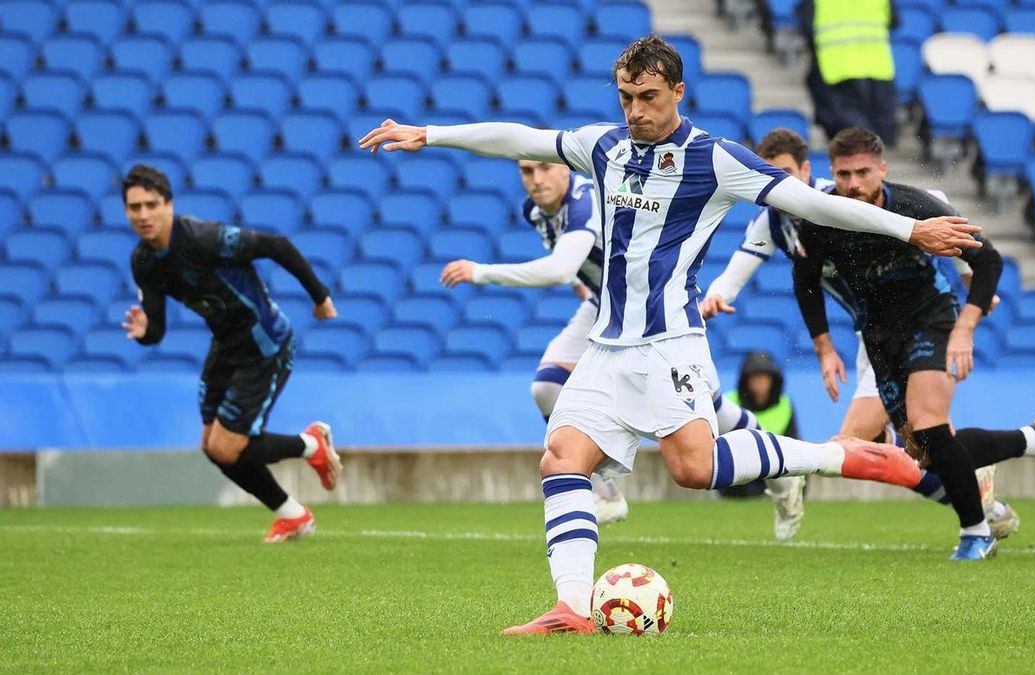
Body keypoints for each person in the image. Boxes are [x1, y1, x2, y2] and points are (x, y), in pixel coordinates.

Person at [359, 34, 982, 635]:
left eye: (648, 98)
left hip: (668, 347)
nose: (635, 111)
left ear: (677, 92)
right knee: (561, 459)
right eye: (626, 97)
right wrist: (431, 135)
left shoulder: (716, 158)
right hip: (605, 349)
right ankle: (572, 608)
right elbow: (524, 137)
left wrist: (907, 230)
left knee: (694, 469)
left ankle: (834, 455)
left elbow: (808, 202)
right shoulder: (604, 146)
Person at [764, 127, 1035, 560]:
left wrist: (964, 328)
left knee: (931, 425)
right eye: (844, 175)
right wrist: (824, 347)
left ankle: (976, 532)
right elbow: (804, 282)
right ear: (832, 175)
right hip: (879, 338)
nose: (854, 184)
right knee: (925, 454)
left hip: (930, 318)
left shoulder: (915, 204)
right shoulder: (821, 220)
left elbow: (987, 258)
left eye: (863, 172)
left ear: (882, 169)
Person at [701, 127, 1022, 539]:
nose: (778, 183)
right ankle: (989, 493)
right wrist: (714, 296)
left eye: (785, 173)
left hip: (909, 323)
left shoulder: (838, 196)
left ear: (807, 170)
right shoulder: (773, 220)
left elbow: (934, 204)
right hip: (871, 334)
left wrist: (965, 269)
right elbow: (759, 273)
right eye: (769, 175)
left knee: (853, 443)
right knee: (915, 445)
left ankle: (793, 474)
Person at [440, 160, 769, 526]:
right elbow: (580, 266)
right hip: (607, 304)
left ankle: (775, 453)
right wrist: (587, 289)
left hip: (658, 307)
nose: (536, 180)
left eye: (544, 168)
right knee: (547, 386)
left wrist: (480, 272)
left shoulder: (584, 202)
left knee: (711, 410)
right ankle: (604, 491)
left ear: (565, 170)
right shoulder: (536, 211)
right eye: (527, 171)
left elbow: (561, 267)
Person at [120, 165, 342, 544]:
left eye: (151, 205)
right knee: (213, 447)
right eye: (134, 207)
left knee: (228, 446)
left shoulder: (204, 239)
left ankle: (312, 445)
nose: (143, 215)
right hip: (225, 346)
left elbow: (276, 245)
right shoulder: (144, 262)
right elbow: (156, 330)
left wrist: (319, 297)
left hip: (265, 346)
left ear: (169, 205)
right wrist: (144, 333)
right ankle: (293, 516)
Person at [721, 351, 806, 542]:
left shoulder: (784, 405)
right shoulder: (730, 403)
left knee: (800, 464)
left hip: (773, 465)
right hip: (742, 468)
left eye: (763, 378)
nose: (759, 383)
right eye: (754, 378)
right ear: (746, 381)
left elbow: (793, 440)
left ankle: (789, 501)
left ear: (773, 380)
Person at [800, 0, 899, 146]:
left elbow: (806, 25)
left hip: (837, 67)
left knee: (849, 137)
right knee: (878, 136)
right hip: (877, 66)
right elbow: (894, 21)